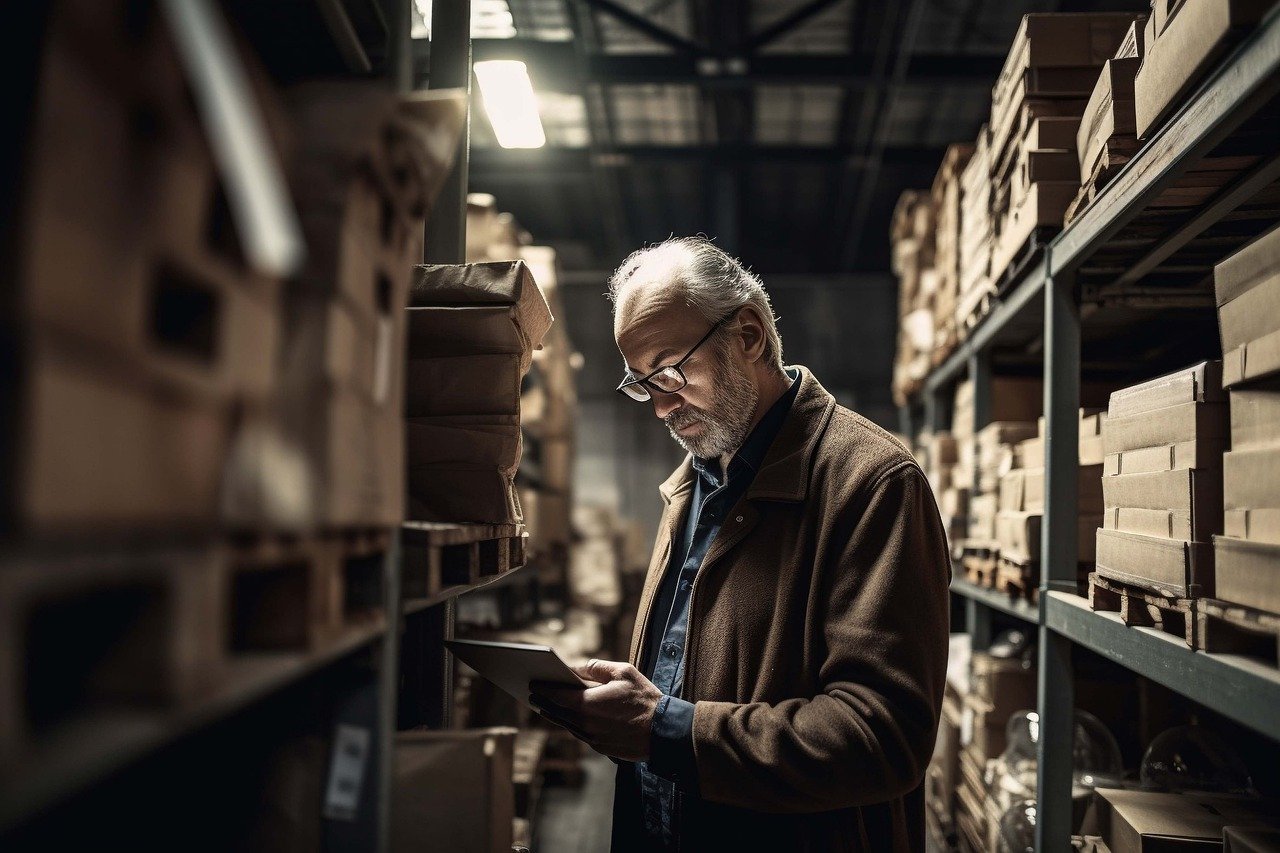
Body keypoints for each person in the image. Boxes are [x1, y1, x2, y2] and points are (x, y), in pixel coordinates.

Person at [531, 236, 950, 852]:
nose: (660, 407)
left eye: (671, 370)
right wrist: (634, 699)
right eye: (642, 384)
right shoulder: (696, 482)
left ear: (749, 336)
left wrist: (664, 729)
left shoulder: (871, 484)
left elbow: (883, 735)